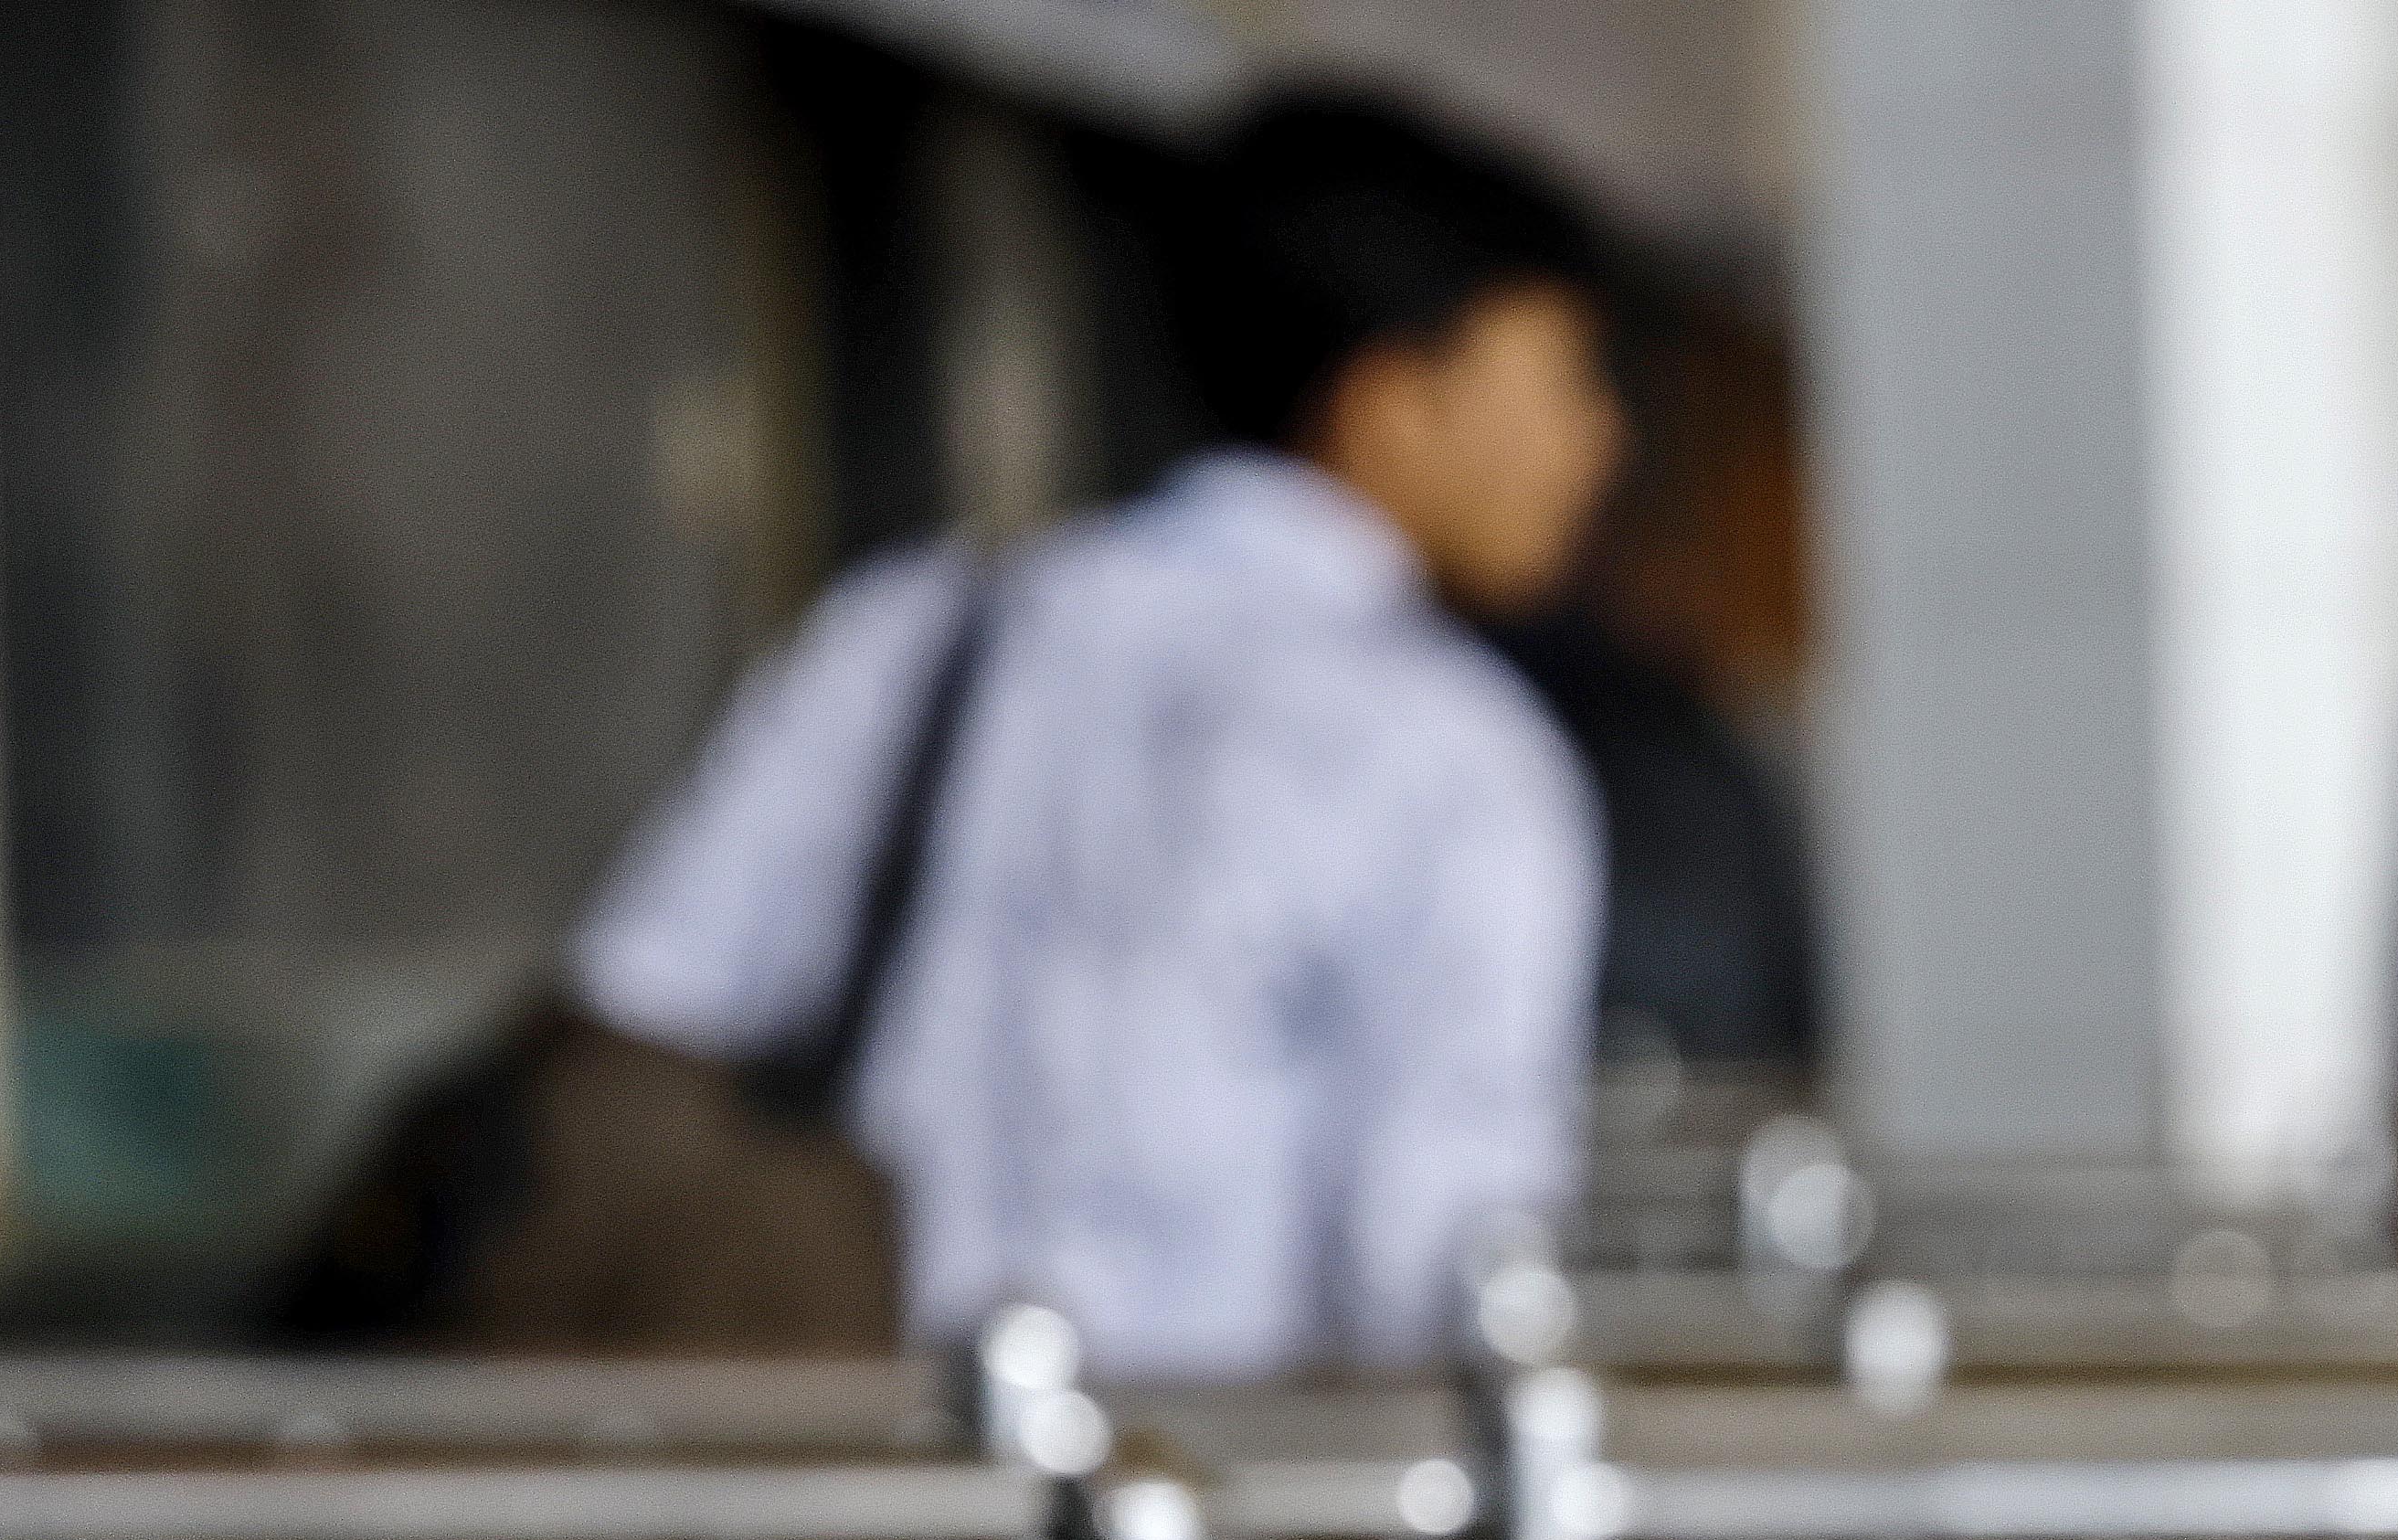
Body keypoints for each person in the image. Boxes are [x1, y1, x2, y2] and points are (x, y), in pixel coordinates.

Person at [563, 94, 1622, 1377]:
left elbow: (649, 998)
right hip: (1211, 1513)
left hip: (854, 1487)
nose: (1595, 443)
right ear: (1393, 399)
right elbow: (1439, 1265)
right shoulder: (1457, 756)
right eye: (1563, 380)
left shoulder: (918, 625)